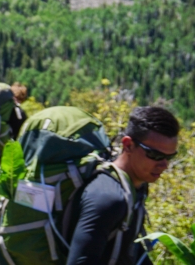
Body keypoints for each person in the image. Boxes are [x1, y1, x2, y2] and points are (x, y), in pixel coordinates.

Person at [65, 106, 180, 265]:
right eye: (155, 155)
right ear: (128, 145)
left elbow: (129, 249)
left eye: (170, 157)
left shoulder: (135, 188)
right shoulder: (108, 199)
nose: (164, 165)